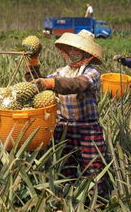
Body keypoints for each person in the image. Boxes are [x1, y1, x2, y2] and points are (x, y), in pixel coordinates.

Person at [26, 30, 109, 198]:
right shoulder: (60, 72)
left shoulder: (91, 72)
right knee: (64, 169)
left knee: (93, 168)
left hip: (87, 129)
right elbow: (37, 84)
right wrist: (33, 61)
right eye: (71, 49)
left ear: (87, 54)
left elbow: (78, 84)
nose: (73, 53)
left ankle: (97, 203)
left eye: (77, 50)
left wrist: (50, 83)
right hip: (62, 127)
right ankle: (67, 202)